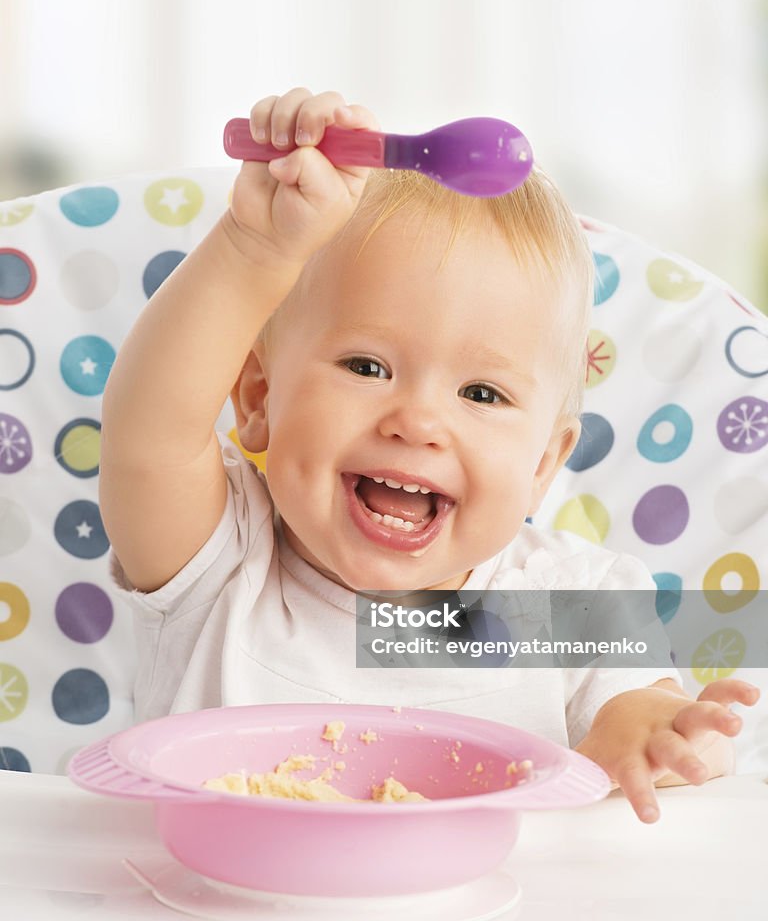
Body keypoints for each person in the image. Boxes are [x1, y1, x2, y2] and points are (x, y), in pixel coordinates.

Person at [100, 87, 759, 823]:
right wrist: (254, 247)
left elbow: (659, 724)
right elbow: (150, 436)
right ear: (256, 397)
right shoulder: (219, 560)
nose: (417, 422)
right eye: (367, 367)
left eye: (481, 393)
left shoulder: (575, 601)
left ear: (544, 463)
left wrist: (655, 739)